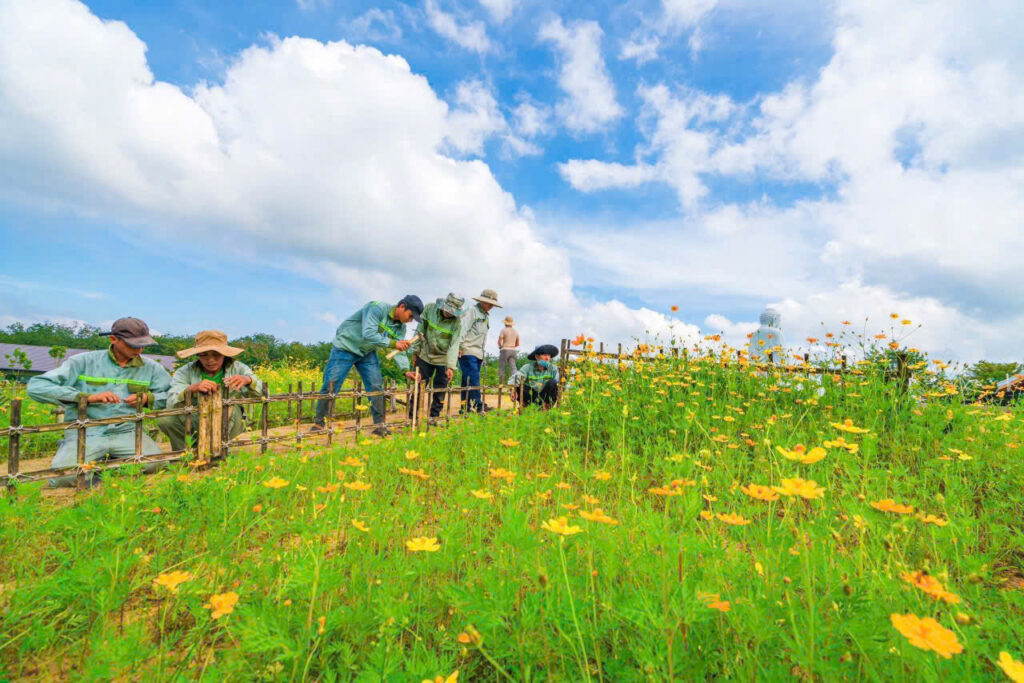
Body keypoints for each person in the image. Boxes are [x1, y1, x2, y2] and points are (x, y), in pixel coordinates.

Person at [26, 317, 171, 487]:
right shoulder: (83, 361)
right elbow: (36, 386)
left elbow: (172, 394)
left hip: (127, 431)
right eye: (132, 345)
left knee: (156, 464)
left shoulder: (152, 368)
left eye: (142, 345)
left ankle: (106, 467)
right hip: (86, 431)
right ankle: (76, 453)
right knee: (64, 477)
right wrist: (85, 398)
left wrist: (148, 399)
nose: (138, 350)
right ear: (113, 339)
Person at [312, 295, 423, 436]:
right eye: (410, 315)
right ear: (402, 307)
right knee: (331, 383)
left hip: (366, 352)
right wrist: (393, 343)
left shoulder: (400, 328)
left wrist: (406, 370)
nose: (411, 320)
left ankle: (380, 426)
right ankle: (319, 423)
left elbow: (399, 350)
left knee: (376, 387)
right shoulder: (376, 308)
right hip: (346, 346)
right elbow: (368, 333)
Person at [157, 330, 263, 452]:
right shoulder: (185, 371)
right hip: (196, 417)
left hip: (230, 419)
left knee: (228, 410)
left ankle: (219, 449)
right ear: (198, 355)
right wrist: (191, 389)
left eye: (216, 355)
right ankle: (185, 455)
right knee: (166, 419)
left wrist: (248, 380)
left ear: (224, 354)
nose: (210, 360)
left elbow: (265, 394)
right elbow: (171, 401)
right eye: (204, 355)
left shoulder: (238, 368)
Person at [404, 293, 464, 422]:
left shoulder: (456, 323)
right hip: (425, 354)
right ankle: (412, 417)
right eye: (447, 310)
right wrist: (416, 352)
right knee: (418, 385)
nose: (449, 313)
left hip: (443, 358)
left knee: (440, 389)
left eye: (452, 312)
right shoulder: (430, 309)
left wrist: (450, 367)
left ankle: (434, 417)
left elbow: (454, 345)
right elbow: (420, 331)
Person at [459, 288, 500, 413]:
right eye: (489, 303)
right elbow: (462, 328)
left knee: (467, 380)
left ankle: (464, 407)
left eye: (493, 304)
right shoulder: (472, 311)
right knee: (474, 378)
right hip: (467, 350)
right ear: (482, 301)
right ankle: (479, 405)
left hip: (478, 352)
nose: (491, 306)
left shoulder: (485, 316)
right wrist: (459, 346)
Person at [509, 344, 560, 409]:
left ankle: (546, 408)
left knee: (553, 383)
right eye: (544, 355)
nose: (547, 358)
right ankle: (526, 406)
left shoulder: (554, 368)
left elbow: (560, 382)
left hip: (545, 398)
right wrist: (513, 389)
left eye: (549, 355)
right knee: (519, 386)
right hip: (532, 398)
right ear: (536, 356)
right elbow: (517, 376)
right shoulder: (528, 367)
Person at [497, 315, 519, 383]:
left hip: (505, 350)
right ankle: (515, 382)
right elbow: (517, 344)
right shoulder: (515, 331)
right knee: (513, 367)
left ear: (505, 323)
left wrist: (501, 346)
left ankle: (501, 383)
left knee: (502, 367)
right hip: (513, 350)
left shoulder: (503, 330)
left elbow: (499, 341)